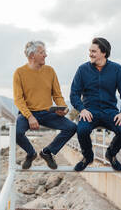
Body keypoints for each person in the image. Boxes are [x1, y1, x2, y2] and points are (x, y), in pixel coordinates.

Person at [70, 37, 121, 171]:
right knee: (82, 130)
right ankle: (87, 157)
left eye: (93, 51)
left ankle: (111, 153)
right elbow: (74, 94)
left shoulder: (116, 69)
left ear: (103, 53)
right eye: (90, 51)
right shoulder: (82, 69)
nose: (90, 54)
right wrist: (82, 110)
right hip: (90, 111)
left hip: (110, 111)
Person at [13, 40, 77, 170]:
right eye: (42, 52)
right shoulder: (19, 73)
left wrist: (62, 108)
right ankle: (31, 153)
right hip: (28, 113)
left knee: (71, 127)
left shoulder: (50, 71)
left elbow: (57, 95)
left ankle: (47, 152)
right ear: (32, 56)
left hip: (48, 112)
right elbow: (18, 99)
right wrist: (30, 117)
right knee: (17, 132)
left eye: (44, 52)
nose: (45, 55)